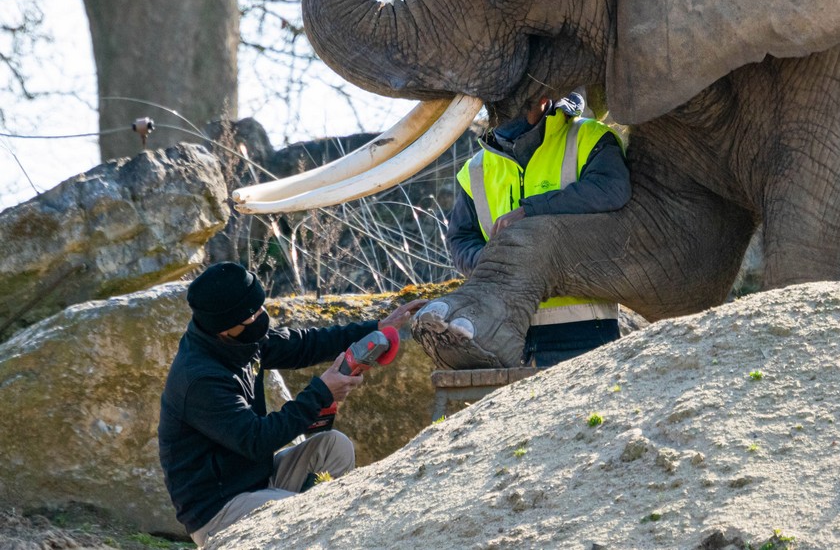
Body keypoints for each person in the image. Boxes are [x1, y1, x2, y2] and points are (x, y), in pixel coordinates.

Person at [158, 261, 426, 546]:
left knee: (334, 447)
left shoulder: (238, 341)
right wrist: (321, 392)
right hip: (219, 511)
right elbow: (257, 439)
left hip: (258, 481)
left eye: (261, 307)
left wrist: (375, 328)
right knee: (304, 514)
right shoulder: (200, 380)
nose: (261, 317)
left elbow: (303, 345)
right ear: (225, 328)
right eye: (253, 315)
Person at [447, 92, 631, 366]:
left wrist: (530, 211)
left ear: (545, 95)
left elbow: (612, 189)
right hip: (507, 334)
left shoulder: (588, 136)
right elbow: (460, 240)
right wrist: (497, 263)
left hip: (585, 330)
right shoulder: (475, 170)